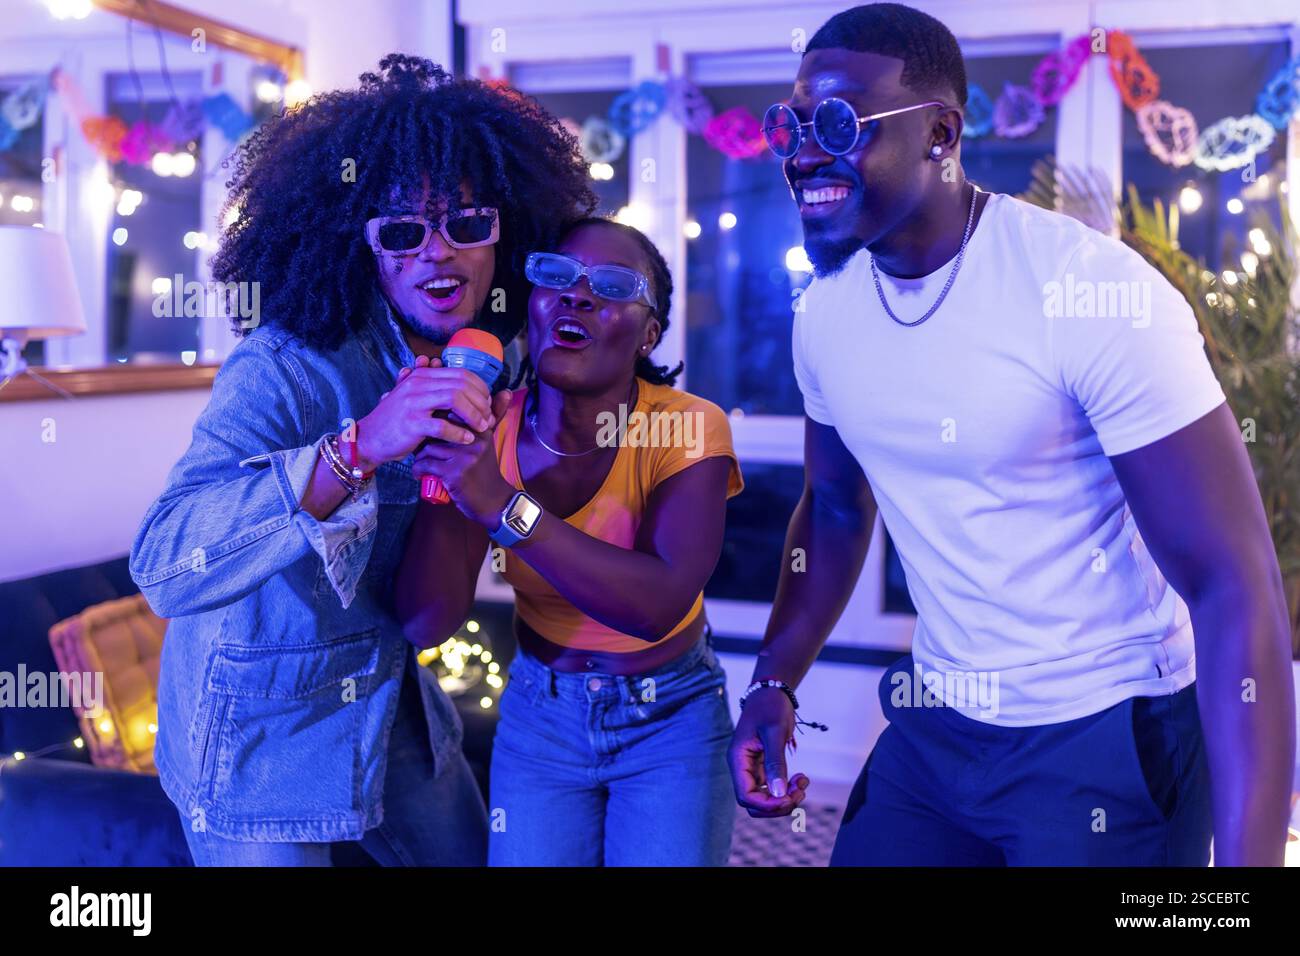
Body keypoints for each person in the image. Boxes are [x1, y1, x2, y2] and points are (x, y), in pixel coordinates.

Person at [729, 3, 1295, 866]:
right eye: (790, 123)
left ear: (940, 133)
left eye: (839, 122)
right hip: (937, 719)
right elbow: (837, 510)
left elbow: (1232, 583)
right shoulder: (828, 311)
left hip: (1107, 733)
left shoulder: (1090, 294)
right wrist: (774, 678)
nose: (804, 151)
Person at [129, 55, 596, 866]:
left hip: (389, 696)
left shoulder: (495, 355)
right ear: (359, 242)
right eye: (404, 231)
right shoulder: (285, 366)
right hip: (259, 731)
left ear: (508, 229)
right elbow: (166, 563)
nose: (438, 254)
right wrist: (358, 447)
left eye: (468, 223)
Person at [394, 217, 744, 866]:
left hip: (669, 716)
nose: (577, 295)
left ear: (648, 334)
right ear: (532, 305)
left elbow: (659, 603)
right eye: (555, 276)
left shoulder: (686, 425)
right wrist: (447, 477)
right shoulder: (491, 429)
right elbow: (426, 621)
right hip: (539, 715)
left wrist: (502, 505)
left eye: (612, 286)